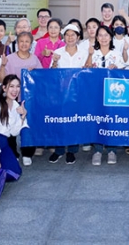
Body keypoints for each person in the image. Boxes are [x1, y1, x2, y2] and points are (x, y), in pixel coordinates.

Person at [0, 31, 42, 166]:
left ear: (31, 44)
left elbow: (41, 79)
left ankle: (28, 153)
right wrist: (3, 65)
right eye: (21, 41)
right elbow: (1, 79)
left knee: (28, 126)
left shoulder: (34, 59)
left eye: (27, 41)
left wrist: (33, 74)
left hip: (29, 99)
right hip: (13, 99)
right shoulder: (9, 58)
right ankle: (13, 153)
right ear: (17, 43)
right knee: (10, 126)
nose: (24, 44)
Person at [85, 25, 125, 165]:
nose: (103, 38)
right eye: (100, 35)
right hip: (95, 92)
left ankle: (111, 150)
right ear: (96, 38)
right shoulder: (92, 52)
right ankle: (97, 150)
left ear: (111, 37)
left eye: (106, 35)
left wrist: (116, 69)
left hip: (112, 94)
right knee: (96, 119)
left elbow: (123, 74)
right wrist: (90, 55)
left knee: (110, 119)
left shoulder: (116, 54)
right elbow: (85, 69)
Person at [49, 23, 86, 164]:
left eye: (73, 35)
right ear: (63, 37)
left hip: (77, 94)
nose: (70, 38)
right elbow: (51, 74)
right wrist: (54, 63)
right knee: (60, 120)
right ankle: (59, 150)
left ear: (78, 37)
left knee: (74, 121)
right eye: (67, 35)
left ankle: (72, 151)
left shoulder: (83, 53)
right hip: (60, 93)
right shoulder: (58, 52)